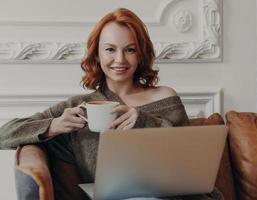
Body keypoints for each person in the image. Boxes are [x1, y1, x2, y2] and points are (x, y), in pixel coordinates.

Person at [0, 8, 223, 200]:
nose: (120, 60)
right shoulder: (81, 107)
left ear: (140, 54)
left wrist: (142, 121)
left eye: (130, 49)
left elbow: (189, 161)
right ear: (97, 54)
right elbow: (4, 134)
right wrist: (54, 125)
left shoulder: (164, 97)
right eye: (110, 49)